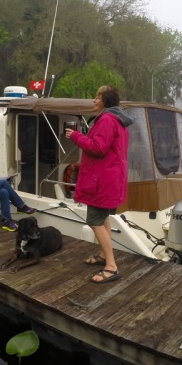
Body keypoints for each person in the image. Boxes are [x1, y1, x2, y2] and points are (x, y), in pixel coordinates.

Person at [65, 85, 133, 284]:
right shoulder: (119, 121)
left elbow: (98, 148)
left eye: (97, 97)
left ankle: (111, 266)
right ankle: (104, 255)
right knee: (103, 218)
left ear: (105, 101)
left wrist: (76, 136)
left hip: (101, 181)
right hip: (110, 178)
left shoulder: (106, 119)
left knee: (94, 220)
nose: (94, 100)